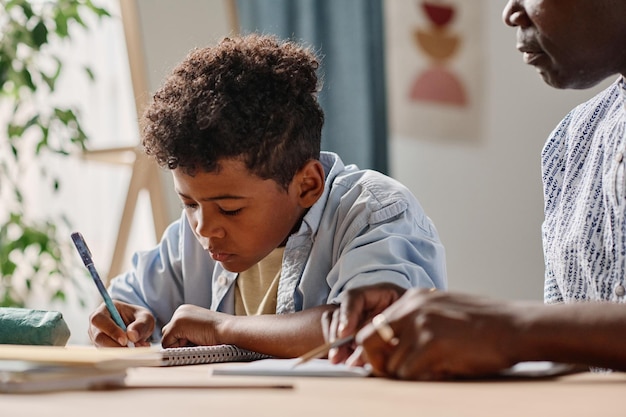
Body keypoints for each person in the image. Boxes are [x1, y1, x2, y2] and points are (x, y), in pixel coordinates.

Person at [87, 34, 447, 357]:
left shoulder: (374, 213)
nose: (205, 228)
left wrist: (221, 328)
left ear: (307, 185)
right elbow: (127, 302)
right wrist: (117, 319)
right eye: (189, 203)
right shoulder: (193, 231)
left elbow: (368, 329)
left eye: (231, 209)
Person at [325, 0, 626, 379]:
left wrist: (511, 328)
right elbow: (573, 357)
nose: (510, 12)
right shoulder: (569, 142)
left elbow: (542, 334)